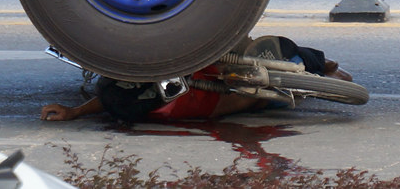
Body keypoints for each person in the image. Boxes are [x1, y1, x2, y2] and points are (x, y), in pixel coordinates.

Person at [40, 36, 352, 122]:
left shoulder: (122, 97)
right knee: (263, 74)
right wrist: (76, 112)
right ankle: (321, 67)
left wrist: (75, 112)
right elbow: (108, 102)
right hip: (227, 93)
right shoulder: (134, 101)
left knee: (259, 53)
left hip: (220, 75)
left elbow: (106, 102)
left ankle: (324, 65)